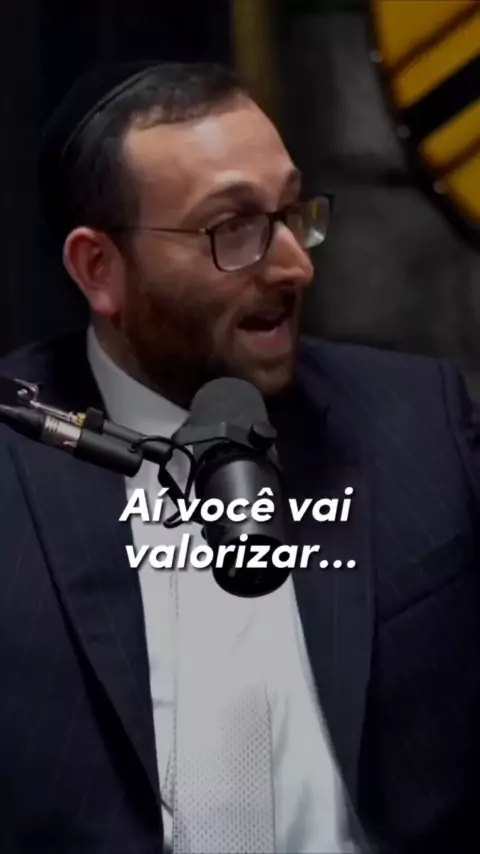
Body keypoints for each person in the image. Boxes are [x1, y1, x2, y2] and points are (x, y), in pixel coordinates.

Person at [0, 61, 479, 854]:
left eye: (290, 212)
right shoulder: (16, 454)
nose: (295, 265)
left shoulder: (419, 418)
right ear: (98, 269)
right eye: (233, 229)